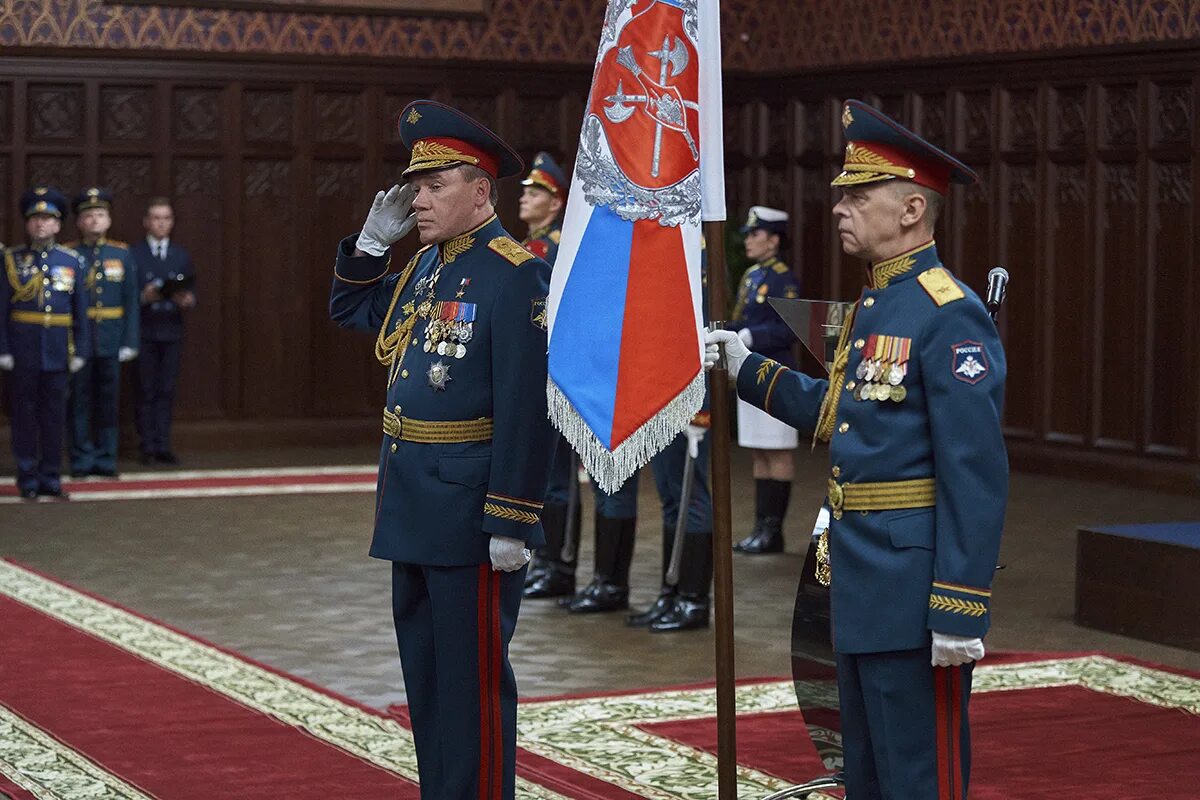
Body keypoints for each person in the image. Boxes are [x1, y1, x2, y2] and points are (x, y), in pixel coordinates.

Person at [705, 99, 1007, 799]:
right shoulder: (876, 306)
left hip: (912, 587)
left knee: (918, 776)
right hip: (859, 578)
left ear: (910, 212)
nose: (840, 207)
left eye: (859, 196)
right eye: (842, 195)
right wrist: (746, 365)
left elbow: (976, 472)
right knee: (866, 775)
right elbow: (839, 416)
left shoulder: (947, 312)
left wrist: (961, 604)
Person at [329, 99, 553, 800]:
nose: (416, 200)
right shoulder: (427, 266)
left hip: (469, 515)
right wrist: (370, 246)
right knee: (427, 683)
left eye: (433, 187)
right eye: (414, 188)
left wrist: (512, 520)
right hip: (412, 503)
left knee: (473, 687)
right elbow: (354, 310)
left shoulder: (514, 274)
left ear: (480, 191)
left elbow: (527, 409)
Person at [0, 187, 91, 500]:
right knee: (24, 416)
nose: (40, 225)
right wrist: (3, 349)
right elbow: (2, 309)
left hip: (58, 350)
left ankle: (51, 477)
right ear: (27, 224)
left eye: (47, 219)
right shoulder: (11, 260)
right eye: (35, 219)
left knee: (54, 417)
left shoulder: (71, 261)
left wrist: (81, 350)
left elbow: (81, 311)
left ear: (58, 225)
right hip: (23, 349)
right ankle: (27, 478)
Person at [518, 151, 578, 600]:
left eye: (535, 192)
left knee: (560, 478)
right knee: (541, 476)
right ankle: (546, 561)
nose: (525, 198)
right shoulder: (529, 245)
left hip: (556, 374)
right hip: (533, 377)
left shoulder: (556, 247)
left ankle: (561, 566)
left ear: (555, 203)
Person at [730, 206, 801, 554]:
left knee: (778, 450)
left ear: (773, 241)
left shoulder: (782, 279)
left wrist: (749, 336)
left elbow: (788, 329)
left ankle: (774, 531)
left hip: (775, 373)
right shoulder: (752, 276)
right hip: (750, 371)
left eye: (755, 234)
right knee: (759, 451)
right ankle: (760, 527)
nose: (749, 240)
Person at [65, 188, 139, 478]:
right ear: (79, 222)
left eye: (100, 215)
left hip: (111, 338)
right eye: (88, 216)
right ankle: (81, 459)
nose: (94, 221)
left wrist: (130, 341)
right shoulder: (69, 254)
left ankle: (106, 459)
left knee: (109, 403)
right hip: (80, 341)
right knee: (79, 401)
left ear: (108, 220)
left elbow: (131, 300)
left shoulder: (121, 253)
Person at [130, 197, 195, 465]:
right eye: (156, 218)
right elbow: (126, 295)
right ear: (146, 222)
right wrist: (144, 296)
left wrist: (187, 299)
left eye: (166, 218)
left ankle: (163, 445)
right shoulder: (133, 254)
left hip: (171, 330)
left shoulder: (181, 255)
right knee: (145, 390)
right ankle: (147, 445)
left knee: (166, 390)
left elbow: (192, 291)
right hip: (144, 330)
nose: (161, 223)